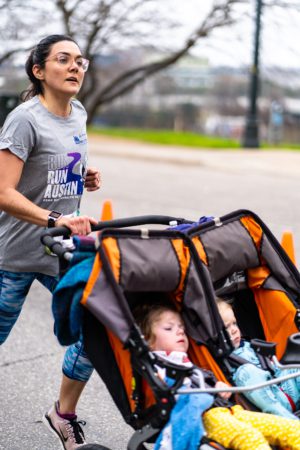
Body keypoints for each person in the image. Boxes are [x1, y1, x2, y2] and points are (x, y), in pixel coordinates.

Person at [0, 34, 101, 449]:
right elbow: (4, 192)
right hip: (14, 257)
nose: (76, 66)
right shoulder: (24, 119)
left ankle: (63, 415)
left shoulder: (77, 112)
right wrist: (57, 218)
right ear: (39, 71)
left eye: (81, 60)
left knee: (97, 330)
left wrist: (85, 176)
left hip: (60, 254)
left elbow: (58, 165)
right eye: (64, 59)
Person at [135, 303, 300, 450]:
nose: (179, 331)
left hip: (230, 410)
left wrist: (217, 388)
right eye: (169, 328)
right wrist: (209, 392)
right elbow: (181, 398)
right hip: (208, 418)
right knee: (251, 439)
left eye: (181, 328)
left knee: (291, 429)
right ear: (147, 340)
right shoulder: (158, 368)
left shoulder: (185, 362)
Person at [217, 298, 300, 419]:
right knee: (247, 373)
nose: (234, 330)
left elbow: (276, 369)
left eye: (234, 323)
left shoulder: (249, 345)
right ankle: (293, 425)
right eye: (226, 327)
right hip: (274, 402)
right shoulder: (228, 362)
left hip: (282, 385)